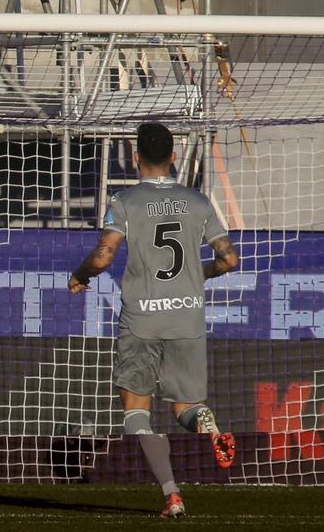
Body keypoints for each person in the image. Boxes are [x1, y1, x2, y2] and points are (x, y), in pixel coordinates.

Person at [68, 122, 239, 519]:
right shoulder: (197, 201)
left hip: (142, 321)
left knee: (137, 414)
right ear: (174, 158)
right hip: (186, 318)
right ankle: (205, 423)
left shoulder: (125, 201)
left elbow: (103, 256)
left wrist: (80, 275)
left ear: (135, 158)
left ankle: (172, 495)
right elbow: (230, 258)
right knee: (185, 409)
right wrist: (202, 273)